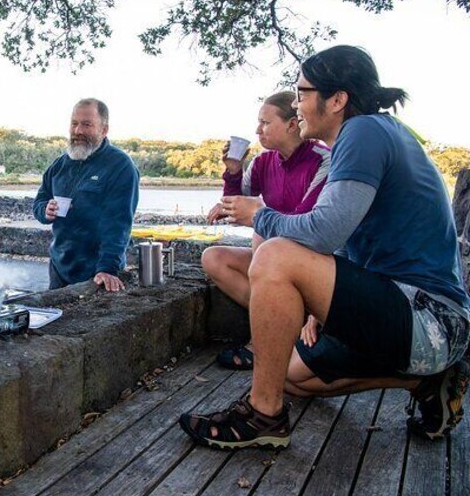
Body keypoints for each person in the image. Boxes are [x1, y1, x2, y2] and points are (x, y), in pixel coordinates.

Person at [180, 45, 470, 450]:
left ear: (337, 100)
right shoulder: (367, 136)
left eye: (301, 93)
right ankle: (429, 380)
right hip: (404, 313)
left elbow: (322, 231)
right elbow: (349, 237)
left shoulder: (364, 131)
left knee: (273, 254)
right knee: (287, 373)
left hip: (431, 317)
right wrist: (325, 301)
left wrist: (257, 215)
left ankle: (263, 415)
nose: (296, 104)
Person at [204, 91, 330, 371]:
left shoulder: (323, 160)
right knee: (213, 258)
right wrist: (233, 171)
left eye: (264, 123)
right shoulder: (263, 162)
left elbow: (309, 224)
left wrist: (257, 216)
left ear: (292, 124)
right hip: (272, 262)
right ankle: (287, 322)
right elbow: (235, 207)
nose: (257, 130)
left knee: (263, 233)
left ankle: (262, 341)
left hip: (312, 261)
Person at [33, 98, 139, 292]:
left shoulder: (120, 165)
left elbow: (119, 224)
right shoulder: (59, 164)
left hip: (96, 272)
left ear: (104, 129)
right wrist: (45, 210)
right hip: (59, 269)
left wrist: (108, 268)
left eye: (87, 124)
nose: (78, 131)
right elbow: (40, 200)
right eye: (74, 123)